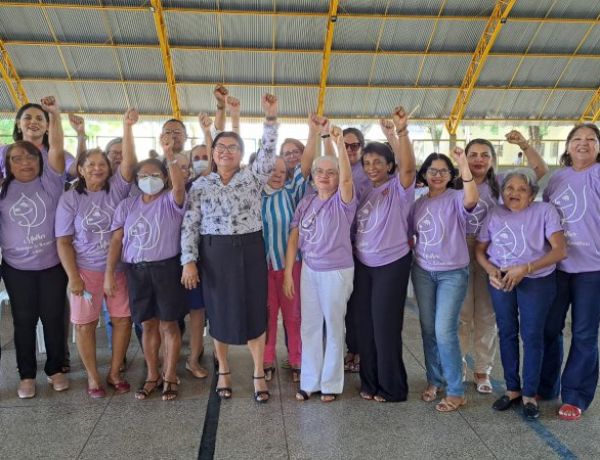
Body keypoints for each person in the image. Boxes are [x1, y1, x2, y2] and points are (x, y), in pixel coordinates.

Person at [181, 93, 279, 403]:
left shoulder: (253, 178)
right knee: (219, 312)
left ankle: (258, 372)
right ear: (212, 152)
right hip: (215, 253)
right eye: (220, 147)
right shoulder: (200, 185)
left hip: (249, 250)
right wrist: (189, 260)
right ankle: (223, 369)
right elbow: (190, 224)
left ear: (241, 153)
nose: (226, 151)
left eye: (233, 147)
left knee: (254, 310)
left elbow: (269, 150)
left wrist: (270, 116)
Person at [55, 109, 137, 398]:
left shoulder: (117, 190)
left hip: (117, 270)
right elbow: (63, 241)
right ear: (80, 169)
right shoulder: (70, 199)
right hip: (86, 271)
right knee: (85, 325)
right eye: (90, 164)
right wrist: (73, 277)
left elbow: (129, 163)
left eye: (102, 164)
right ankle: (92, 377)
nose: (97, 169)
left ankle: (114, 372)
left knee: (123, 319)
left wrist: (127, 126)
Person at [458, 132, 547, 394]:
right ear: (464, 158)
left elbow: (540, 170)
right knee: (461, 314)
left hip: (492, 252)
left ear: (493, 160)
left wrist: (524, 144)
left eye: (485, 155)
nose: (478, 159)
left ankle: (482, 369)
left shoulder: (500, 183)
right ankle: (458, 365)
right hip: (458, 249)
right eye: (472, 155)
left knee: (487, 314)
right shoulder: (455, 183)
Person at [475, 169, 566, 419]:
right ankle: (512, 389)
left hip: (536, 280)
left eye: (521, 189)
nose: (514, 193)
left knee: (532, 335)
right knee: (506, 332)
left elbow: (560, 250)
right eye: (509, 188)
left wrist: (526, 268)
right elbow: (480, 250)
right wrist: (490, 270)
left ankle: (529, 395)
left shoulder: (544, 211)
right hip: (502, 279)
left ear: (532, 194)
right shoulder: (494, 213)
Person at [105, 130, 188, 401]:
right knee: (148, 324)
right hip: (136, 272)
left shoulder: (171, 200)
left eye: (154, 175)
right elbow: (116, 241)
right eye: (143, 176)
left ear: (164, 177)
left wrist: (169, 154)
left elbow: (179, 187)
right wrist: (109, 274)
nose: (148, 179)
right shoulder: (127, 205)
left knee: (168, 325)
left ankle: (170, 375)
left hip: (166, 270)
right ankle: (153, 374)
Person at [0, 96, 69, 399]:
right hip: (17, 269)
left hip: (52, 266)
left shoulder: (50, 183)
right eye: (16, 159)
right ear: (8, 163)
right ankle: (26, 375)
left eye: (30, 158)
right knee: (24, 321)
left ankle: (55, 369)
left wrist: (54, 115)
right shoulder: (4, 189)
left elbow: (57, 149)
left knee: (53, 318)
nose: (25, 163)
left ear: (40, 160)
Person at [284, 125, 356, 403]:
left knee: (334, 326)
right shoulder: (306, 202)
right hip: (309, 270)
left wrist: (339, 145)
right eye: (319, 172)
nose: (324, 176)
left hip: (336, 271)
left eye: (331, 172)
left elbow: (347, 180)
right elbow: (294, 237)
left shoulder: (343, 201)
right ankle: (310, 381)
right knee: (310, 326)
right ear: (312, 177)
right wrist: (289, 273)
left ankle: (331, 384)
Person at [352, 108, 416, 402]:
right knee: (365, 327)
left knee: (385, 327)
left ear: (390, 165)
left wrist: (399, 132)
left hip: (391, 265)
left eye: (378, 161)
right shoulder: (366, 190)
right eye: (367, 162)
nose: (372, 167)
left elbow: (408, 169)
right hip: (363, 265)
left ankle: (393, 387)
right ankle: (369, 382)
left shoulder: (399, 188)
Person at [538, 123, 600, 421]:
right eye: (577, 139)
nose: (583, 143)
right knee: (549, 328)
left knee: (584, 333)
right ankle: (546, 385)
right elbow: (544, 218)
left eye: (591, 139)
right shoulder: (557, 179)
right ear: (567, 146)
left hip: (593, 270)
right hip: (558, 267)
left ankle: (575, 395)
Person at [409, 149, 479, 412]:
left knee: (444, 331)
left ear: (451, 176)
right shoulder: (418, 204)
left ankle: (456, 390)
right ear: (424, 174)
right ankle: (434, 380)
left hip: (452, 273)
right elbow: (412, 234)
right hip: (423, 272)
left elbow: (472, 198)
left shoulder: (456, 197)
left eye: (443, 171)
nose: (437, 175)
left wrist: (463, 164)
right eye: (432, 170)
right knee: (428, 329)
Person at [261, 114, 319, 383]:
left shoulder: (291, 193)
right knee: (267, 315)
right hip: (262, 268)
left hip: (290, 266)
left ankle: (297, 359)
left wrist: (313, 132)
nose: (277, 175)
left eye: (281, 172)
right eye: (272, 171)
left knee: (293, 315)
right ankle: (266, 359)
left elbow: (304, 167)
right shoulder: (254, 196)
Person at [0, 101, 77, 180]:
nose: (33, 122)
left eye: (39, 119)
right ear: (19, 124)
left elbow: (77, 170)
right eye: (28, 118)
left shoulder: (58, 155)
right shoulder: (4, 151)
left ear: (47, 126)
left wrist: (80, 135)